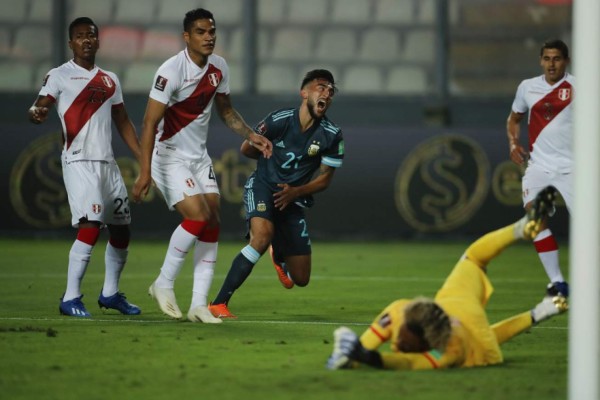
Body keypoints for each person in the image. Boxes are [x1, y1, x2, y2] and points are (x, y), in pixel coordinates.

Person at [326, 186, 568, 371]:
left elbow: (410, 364)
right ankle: (524, 228)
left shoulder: (451, 351)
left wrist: (369, 358)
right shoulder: (400, 311)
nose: (397, 343)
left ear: (428, 344)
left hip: (476, 339)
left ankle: (544, 308)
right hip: (455, 300)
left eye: (406, 344)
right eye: (400, 337)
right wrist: (354, 354)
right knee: (472, 258)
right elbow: (365, 344)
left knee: (485, 347)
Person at [131, 8, 272, 324]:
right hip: (168, 156)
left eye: (212, 31)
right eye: (201, 32)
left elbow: (226, 111)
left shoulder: (219, 67)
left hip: (198, 158)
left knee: (212, 221)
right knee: (198, 216)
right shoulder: (170, 71)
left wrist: (252, 135)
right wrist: (144, 172)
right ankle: (163, 283)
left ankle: (198, 304)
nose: (209, 37)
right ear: (186, 36)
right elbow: (149, 121)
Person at [28, 17, 142, 317]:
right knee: (91, 225)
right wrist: (36, 112)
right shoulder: (59, 75)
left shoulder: (110, 80)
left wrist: (144, 158)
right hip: (78, 161)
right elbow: (40, 104)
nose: (87, 40)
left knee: (121, 230)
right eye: (80, 36)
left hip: (108, 163)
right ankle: (70, 297)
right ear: (71, 43)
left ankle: (110, 294)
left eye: (91, 35)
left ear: (98, 40)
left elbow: (123, 121)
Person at [208, 69, 345, 319]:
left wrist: (297, 191)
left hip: (293, 198)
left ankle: (279, 256)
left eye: (331, 90)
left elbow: (325, 178)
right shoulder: (279, 120)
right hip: (263, 187)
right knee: (261, 237)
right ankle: (218, 303)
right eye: (321, 87)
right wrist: (269, 165)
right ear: (304, 93)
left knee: (300, 279)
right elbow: (247, 148)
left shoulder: (331, 135)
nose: (327, 92)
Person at [506, 39, 573, 297]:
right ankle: (557, 282)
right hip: (539, 166)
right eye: (547, 58)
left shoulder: (581, 86)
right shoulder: (527, 87)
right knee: (535, 219)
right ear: (540, 61)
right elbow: (514, 119)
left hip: (574, 167)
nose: (551, 64)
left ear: (566, 61)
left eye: (556, 58)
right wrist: (513, 142)